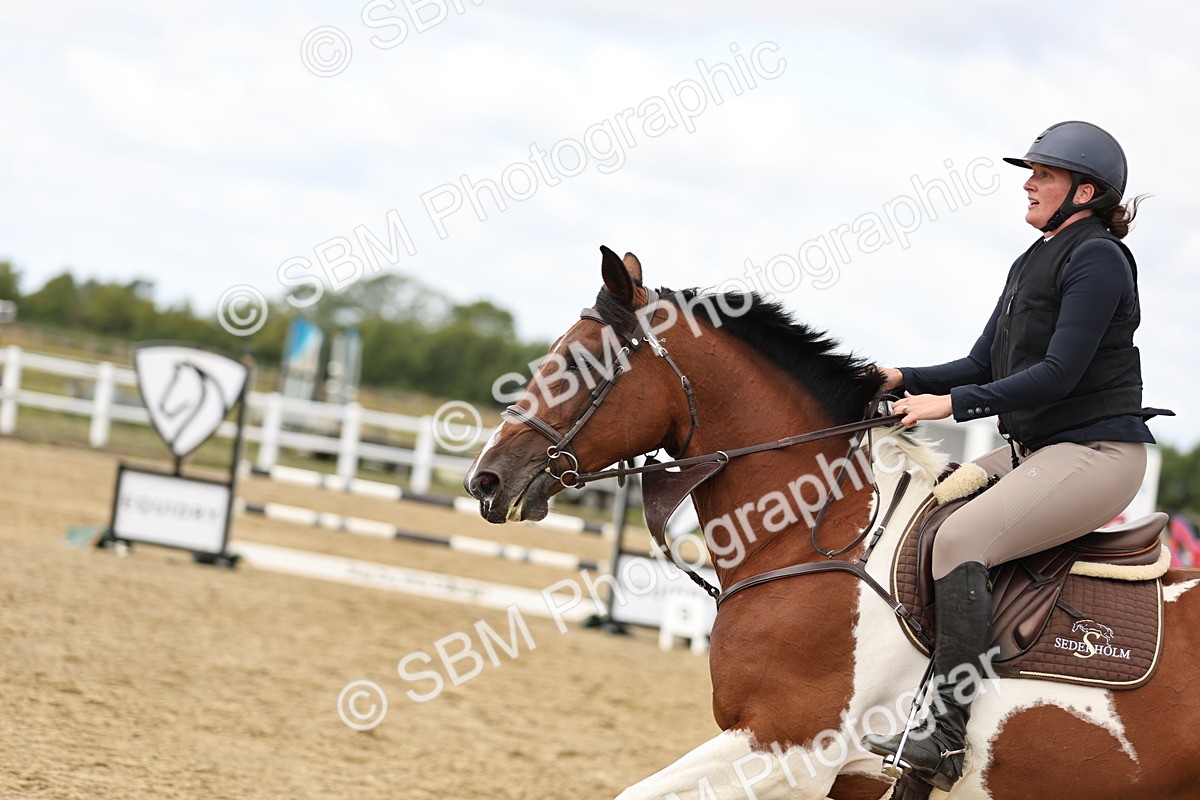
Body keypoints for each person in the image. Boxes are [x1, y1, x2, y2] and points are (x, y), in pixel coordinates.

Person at [861, 121, 1161, 792]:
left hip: (1098, 454)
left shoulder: (1099, 259)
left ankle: (943, 734)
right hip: (1036, 452)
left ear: (1085, 191)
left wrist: (948, 405)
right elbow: (978, 362)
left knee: (961, 538)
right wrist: (898, 377)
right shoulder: (1033, 259)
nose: (1028, 183)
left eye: (1043, 175)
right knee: (924, 509)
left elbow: (1056, 375)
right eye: (1031, 172)